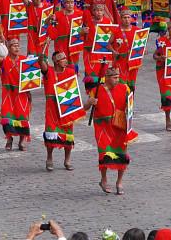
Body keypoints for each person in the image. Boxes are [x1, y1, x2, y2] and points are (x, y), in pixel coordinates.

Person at [85, 65, 137, 195]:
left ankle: (119, 182)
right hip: (102, 127)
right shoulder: (96, 90)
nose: (117, 80)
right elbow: (85, 108)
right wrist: (90, 102)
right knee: (104, 154)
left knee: (121, 154)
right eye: (114, 77)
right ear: (107, 78)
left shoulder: (124, 88)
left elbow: (129, 106)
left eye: (118, 77)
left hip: (119, 126)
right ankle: (103, 180)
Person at [40, 50, 78, 172]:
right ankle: (49, 158)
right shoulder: (49, 71)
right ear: (56, 61)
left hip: (66, 107)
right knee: (51, 132)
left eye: (65, 58)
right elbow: (41, 62)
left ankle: (67, 160)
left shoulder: (71, 72)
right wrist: (42, 54)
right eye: (62, 58)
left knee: (68, 134)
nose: (65, 60)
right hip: (52, 108)